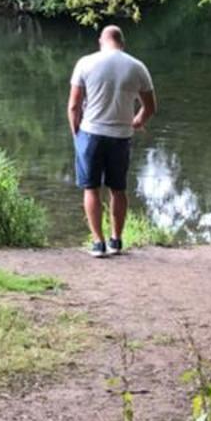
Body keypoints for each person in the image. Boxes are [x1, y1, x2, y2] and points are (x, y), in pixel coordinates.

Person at [67, 25, 157, 256]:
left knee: (91, 189)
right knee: (118, 189)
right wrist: (136, 122)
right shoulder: (137, 67)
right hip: (121, 136)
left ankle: (98, 243)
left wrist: (75, 132)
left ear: (101, 41)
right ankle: (116, 240)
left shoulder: (85, 63)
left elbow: (74, 105)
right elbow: (150, 107)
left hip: (91, 134)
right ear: (122, 42)